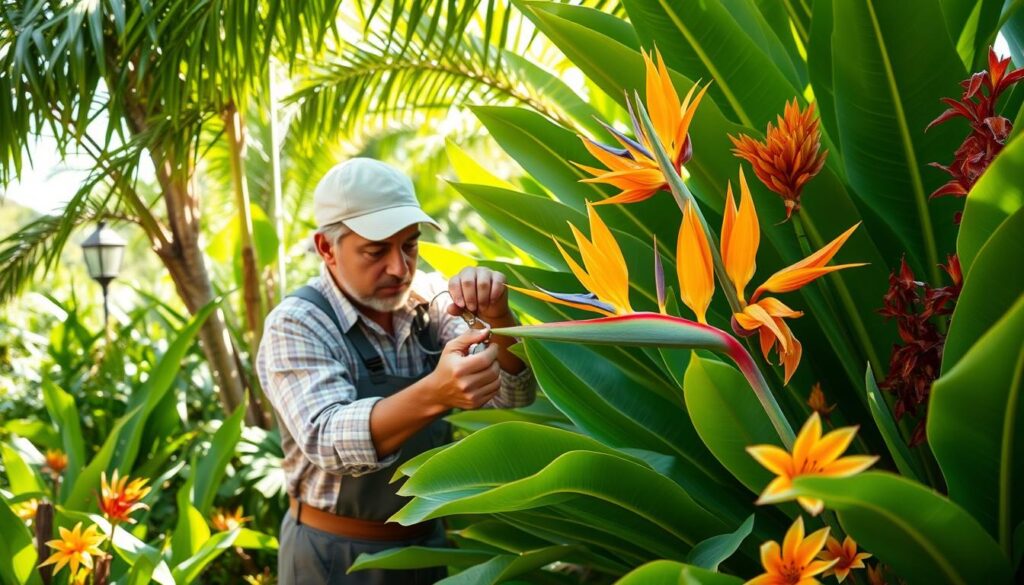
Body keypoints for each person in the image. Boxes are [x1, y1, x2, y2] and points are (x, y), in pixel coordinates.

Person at [256, 158, 536, 584]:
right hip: (333, 558)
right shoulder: (298, 322)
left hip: (427, 547)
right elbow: (327, 440)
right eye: (375, 250)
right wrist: (436, 394)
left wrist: (498, 318)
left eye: (409, 245)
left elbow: (514, 396)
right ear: (326, 248)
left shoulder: (429, 300)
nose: (400, 268)